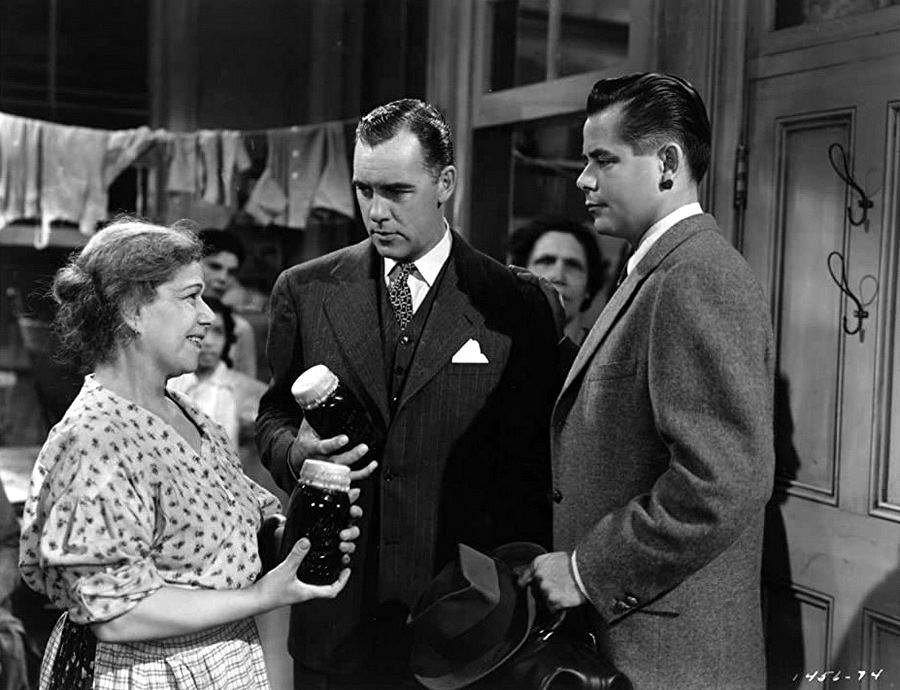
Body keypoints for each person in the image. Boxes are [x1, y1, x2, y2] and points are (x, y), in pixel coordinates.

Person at [256, 98, 560, 688]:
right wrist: (295, 453)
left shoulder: (518, 302)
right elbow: (275, 413)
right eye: (364, 190)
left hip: (461, 624)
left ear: (445, 183)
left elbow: (533, 467)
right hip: (336, 617)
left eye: (396, 191)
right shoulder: (305, 290)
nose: (376, 212)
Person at [18, 219, 364, 689]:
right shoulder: (96, 440)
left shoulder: (184, 412)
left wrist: (303, 536)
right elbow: (117, 614)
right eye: (190, 297)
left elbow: (227, 536)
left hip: (217, 664)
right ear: (132, 310)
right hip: (144, 673)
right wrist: (262, 595)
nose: (207, 315)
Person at [519, 73, 776, 689]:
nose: (583, 180)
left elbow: (722, 482)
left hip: (672, 660)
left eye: (603, 160)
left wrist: (585, 570)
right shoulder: (654, 270)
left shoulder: (696, 276)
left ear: (666, 164)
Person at [169, 296, 266, 447]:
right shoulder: (167, 383)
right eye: (200, 330)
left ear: (228, 338)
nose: (209, 342)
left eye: (218, 332)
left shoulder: (245, 389)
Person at [507, 216, 607, 346]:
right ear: (521, 272)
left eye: (573, 265)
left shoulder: (608, 352)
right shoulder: (497, 351)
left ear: (589, 286)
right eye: (546, 261)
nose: (559, 276)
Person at [197, 228, 258, 379]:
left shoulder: (239, 329)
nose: (223, 278)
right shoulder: (171, 316)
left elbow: (246, 384)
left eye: (231, 272)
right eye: (215, 267)